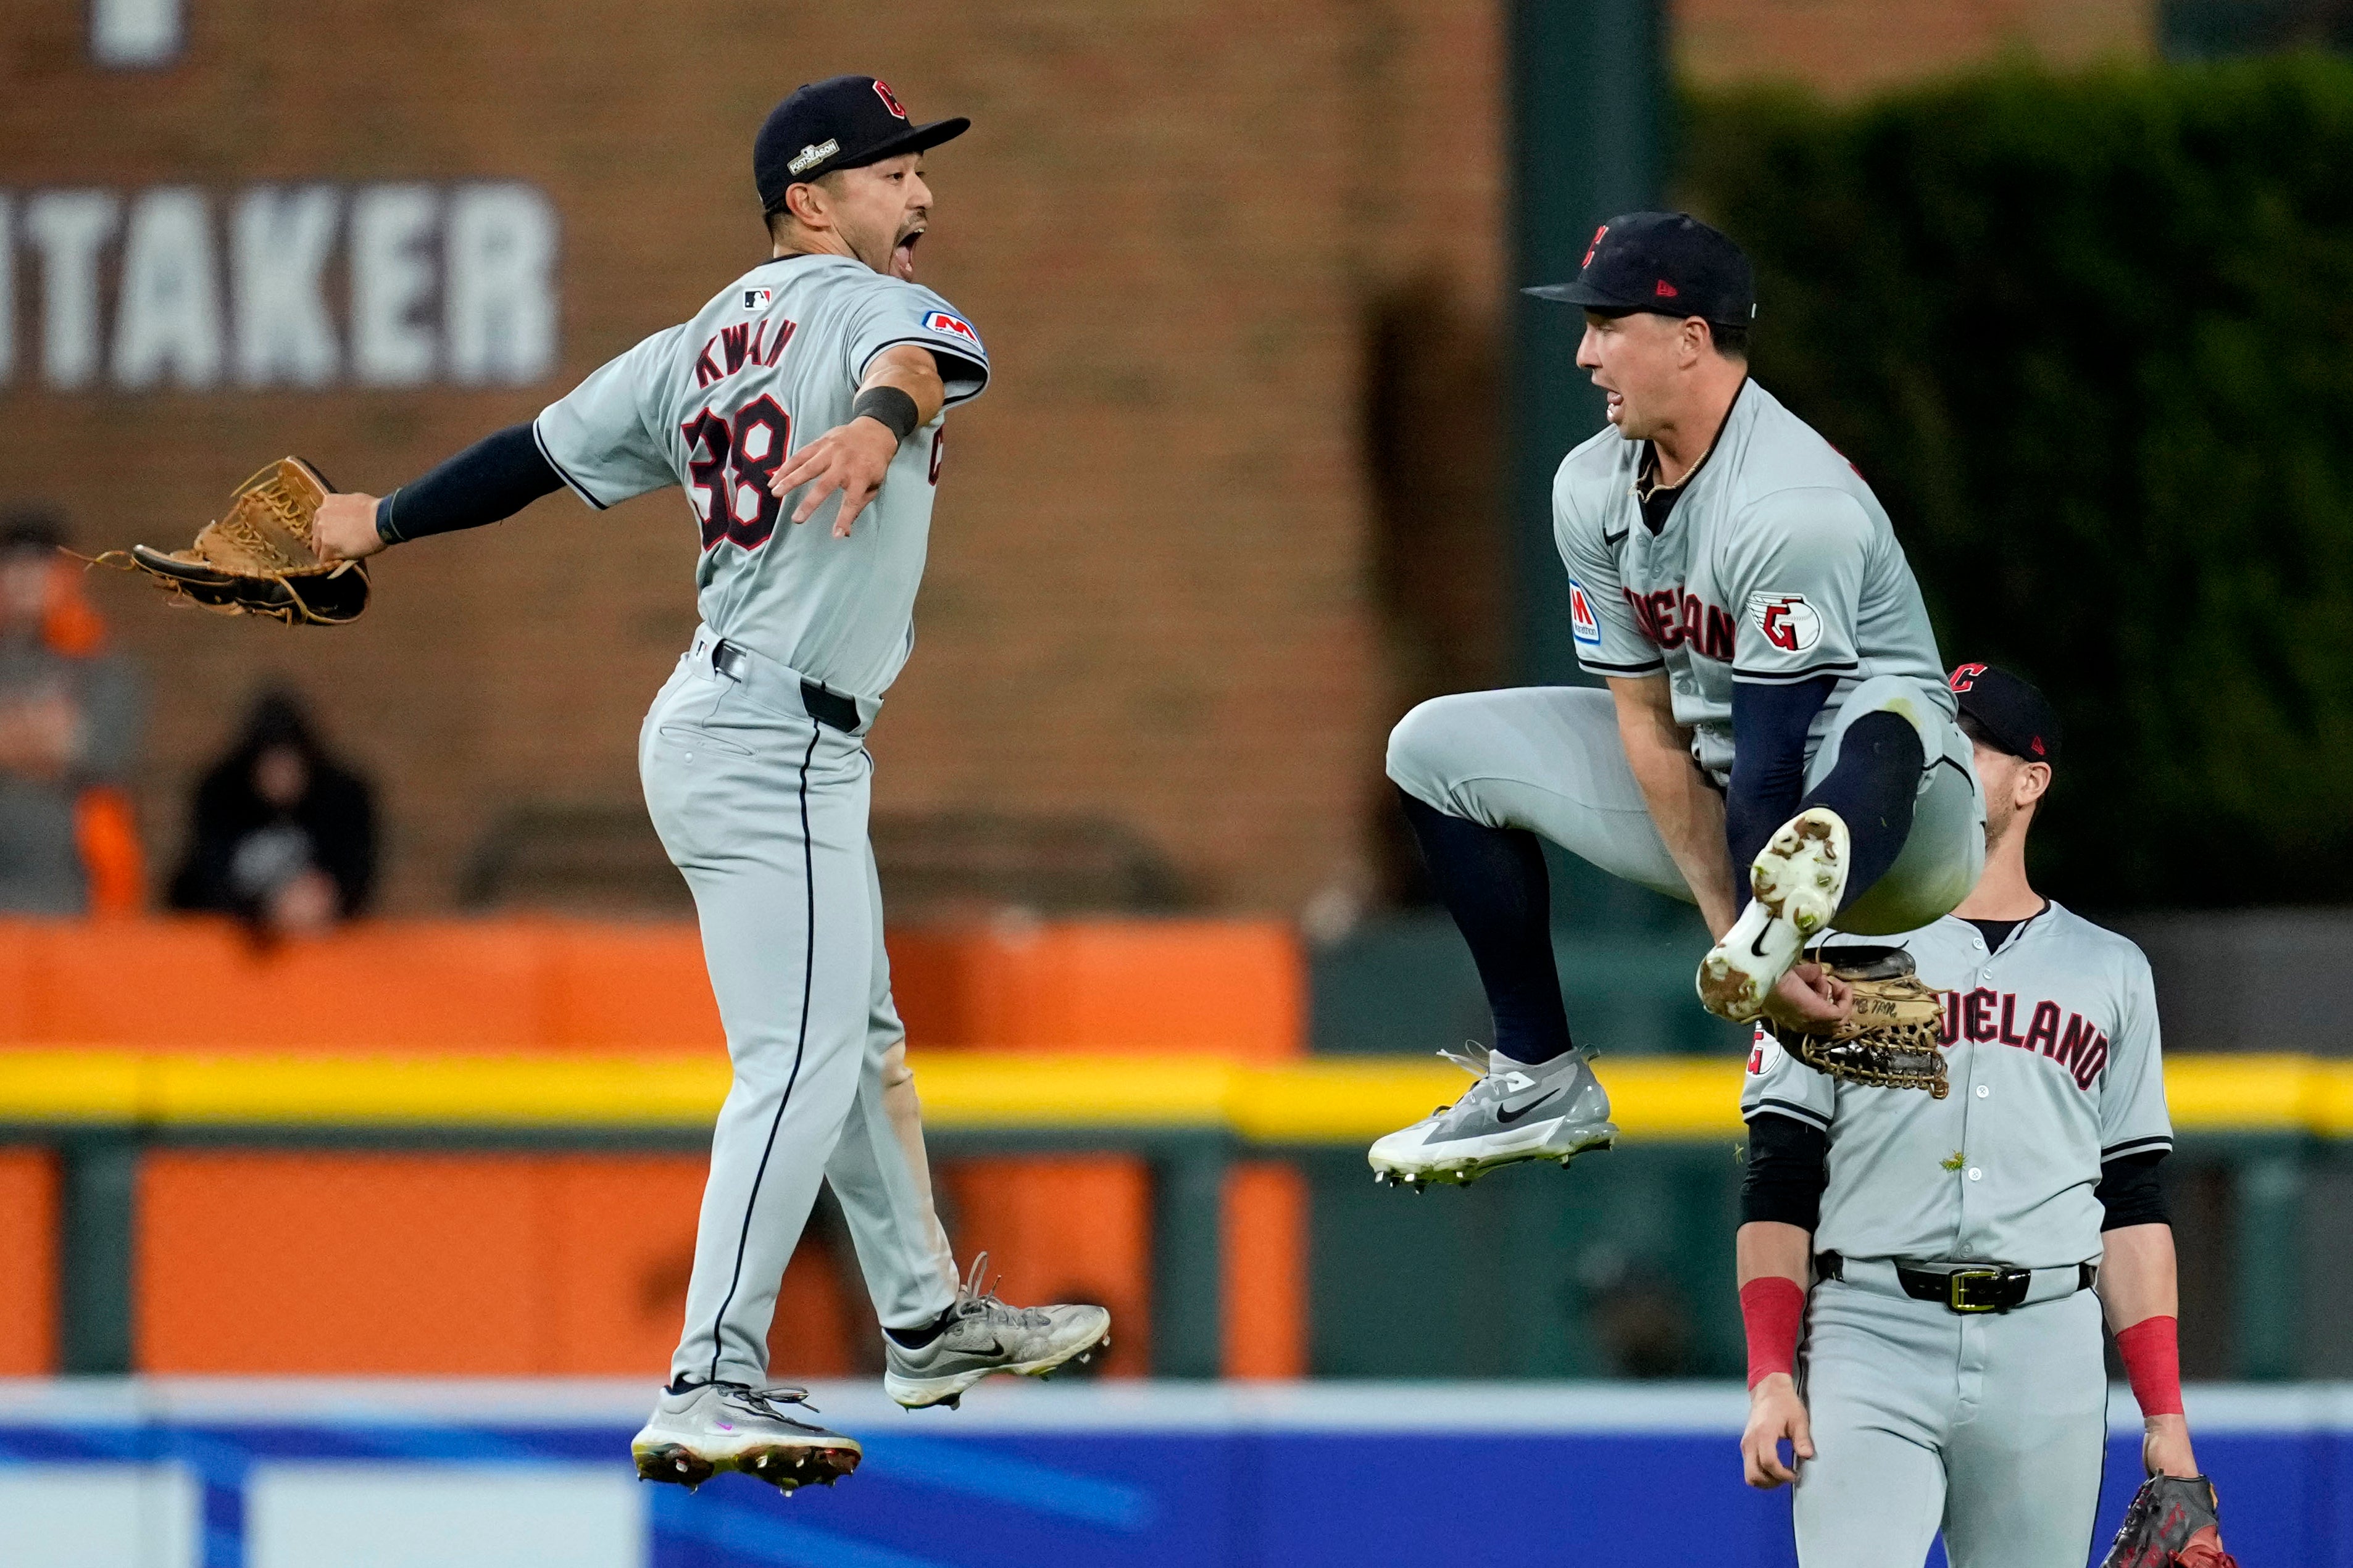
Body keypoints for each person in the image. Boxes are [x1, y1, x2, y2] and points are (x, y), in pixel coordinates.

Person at [306, 76, 1109, 1492]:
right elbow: (916, 369)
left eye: (920, 171)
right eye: (889, 171)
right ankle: (707, 1376)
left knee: (852, 1041)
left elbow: (529, 458)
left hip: (746, 724)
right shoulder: (865, 309)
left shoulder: (693, 344)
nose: (919, 194)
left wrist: (372, 521)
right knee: (796, 1060)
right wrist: (872, 418)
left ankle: (921, 1320)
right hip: (766, 742)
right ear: (810, 196)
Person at [1369, 212, 1983, 1188]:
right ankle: (1537, 1075)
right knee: (1432, 747)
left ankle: (1794, 914)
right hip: (1726, 794)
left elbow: (1779, 754)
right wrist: (1737, 945)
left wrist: (1765, 946)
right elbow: (1648, 727)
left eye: (1610, 325)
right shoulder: (1590, 485)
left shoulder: (1792, 504)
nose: (1584, 353)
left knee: (1887, 716)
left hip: (1904, 822)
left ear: (1692, 339)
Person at [1736, 666, 2200, 1567]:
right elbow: (1779, 1172)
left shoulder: (2111, 972)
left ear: (2032, 780)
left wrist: (2166, 1415)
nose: (1939, 760)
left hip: (2048, 1345)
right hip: (1869, 1330)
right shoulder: (1833, 947)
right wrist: (1767, 1374)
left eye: (1972, 743)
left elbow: (2133, 1202)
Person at [0, 512, 144, 915]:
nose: (26, 580)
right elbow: (69, 743)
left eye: (40, 567)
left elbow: (102, 753)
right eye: (14, 566)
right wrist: (49, 737)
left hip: (73, 891)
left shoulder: (101, 665)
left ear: (66, 577)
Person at [167, 689, 377, 936]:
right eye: (271, 765)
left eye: (287, 764)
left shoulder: (341, 799)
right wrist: (264, 907)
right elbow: (203, 877)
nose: (279, 777)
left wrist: (330, 896)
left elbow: (356, 870)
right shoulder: (221, 797)